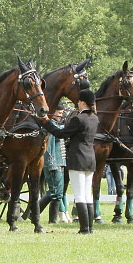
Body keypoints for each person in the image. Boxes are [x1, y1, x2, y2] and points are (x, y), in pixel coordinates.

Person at [39, 88, 99, 234]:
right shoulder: (95, 118)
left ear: (83, 102)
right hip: (90, 159)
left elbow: (61, 133)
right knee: (87, 194)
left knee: (79, 194)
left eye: (78, 101)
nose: (77, 104)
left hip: (77, 158)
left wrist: (46, 122)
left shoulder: (78, 119)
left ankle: (84, 229)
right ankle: (89, 228)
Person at [38, 105, 70, 224]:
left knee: (58, 192)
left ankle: (51, 218)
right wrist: (51, 163)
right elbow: (49, 147)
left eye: (62, 113)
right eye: (58, 113)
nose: (60, 115)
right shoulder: (51, 127)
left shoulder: (58, 125)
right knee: (54, 191)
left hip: (60, 162)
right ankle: (37, 212)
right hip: (53, 162)